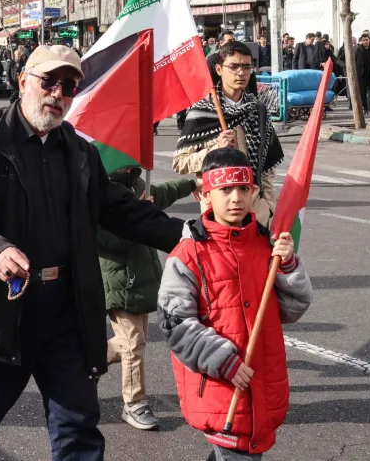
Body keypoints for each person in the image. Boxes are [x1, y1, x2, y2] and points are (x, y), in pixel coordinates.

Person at [0, 45, 184, 460]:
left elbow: (119, 209)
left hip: (66, 313)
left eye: (68, 86)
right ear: (23, 82)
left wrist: (188, 237)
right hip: (3, 310)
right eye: (48, 81)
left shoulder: (78, 150)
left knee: (78, 432)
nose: (57, 93)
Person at [158, 147, 312, 461]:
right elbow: (174, 323)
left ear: (254, 191)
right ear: (205, 194)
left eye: (243, 189)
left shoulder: (265, 243)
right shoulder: (188, 255)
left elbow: (295, 307)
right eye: (225, 190)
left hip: (262, 382)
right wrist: (222, 360)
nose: (235, 198)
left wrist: (287, 265)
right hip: (221, 385)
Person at [98, 168, 197, 432]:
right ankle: (134, 403)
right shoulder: (100, 189)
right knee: (133, 344)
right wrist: (141, 218)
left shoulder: (137, 182)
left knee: (131, 343)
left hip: (142, 277)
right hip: (118, 281)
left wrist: (190, 183)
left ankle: (90, 361)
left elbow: (161, 194)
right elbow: (103, 239)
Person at [173, 41, 282, 227]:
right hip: (217, 209)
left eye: (246, 67)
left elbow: (268, 167)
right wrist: (215, 148)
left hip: (255, 209)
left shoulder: (258, 110)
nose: (241, 72)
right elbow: (180, 162)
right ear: (219, 69)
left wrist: (270, 206)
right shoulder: (203, 111)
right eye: (233, 66)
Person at [357, 35, 370, 116]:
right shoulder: (358, 49)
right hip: (362, 74)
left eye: (366, 40)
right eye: (364, 40)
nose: (365, 41)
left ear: (369, 40)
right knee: (362, 92)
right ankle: (365, 108)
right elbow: (354, 60)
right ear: (362, 41)